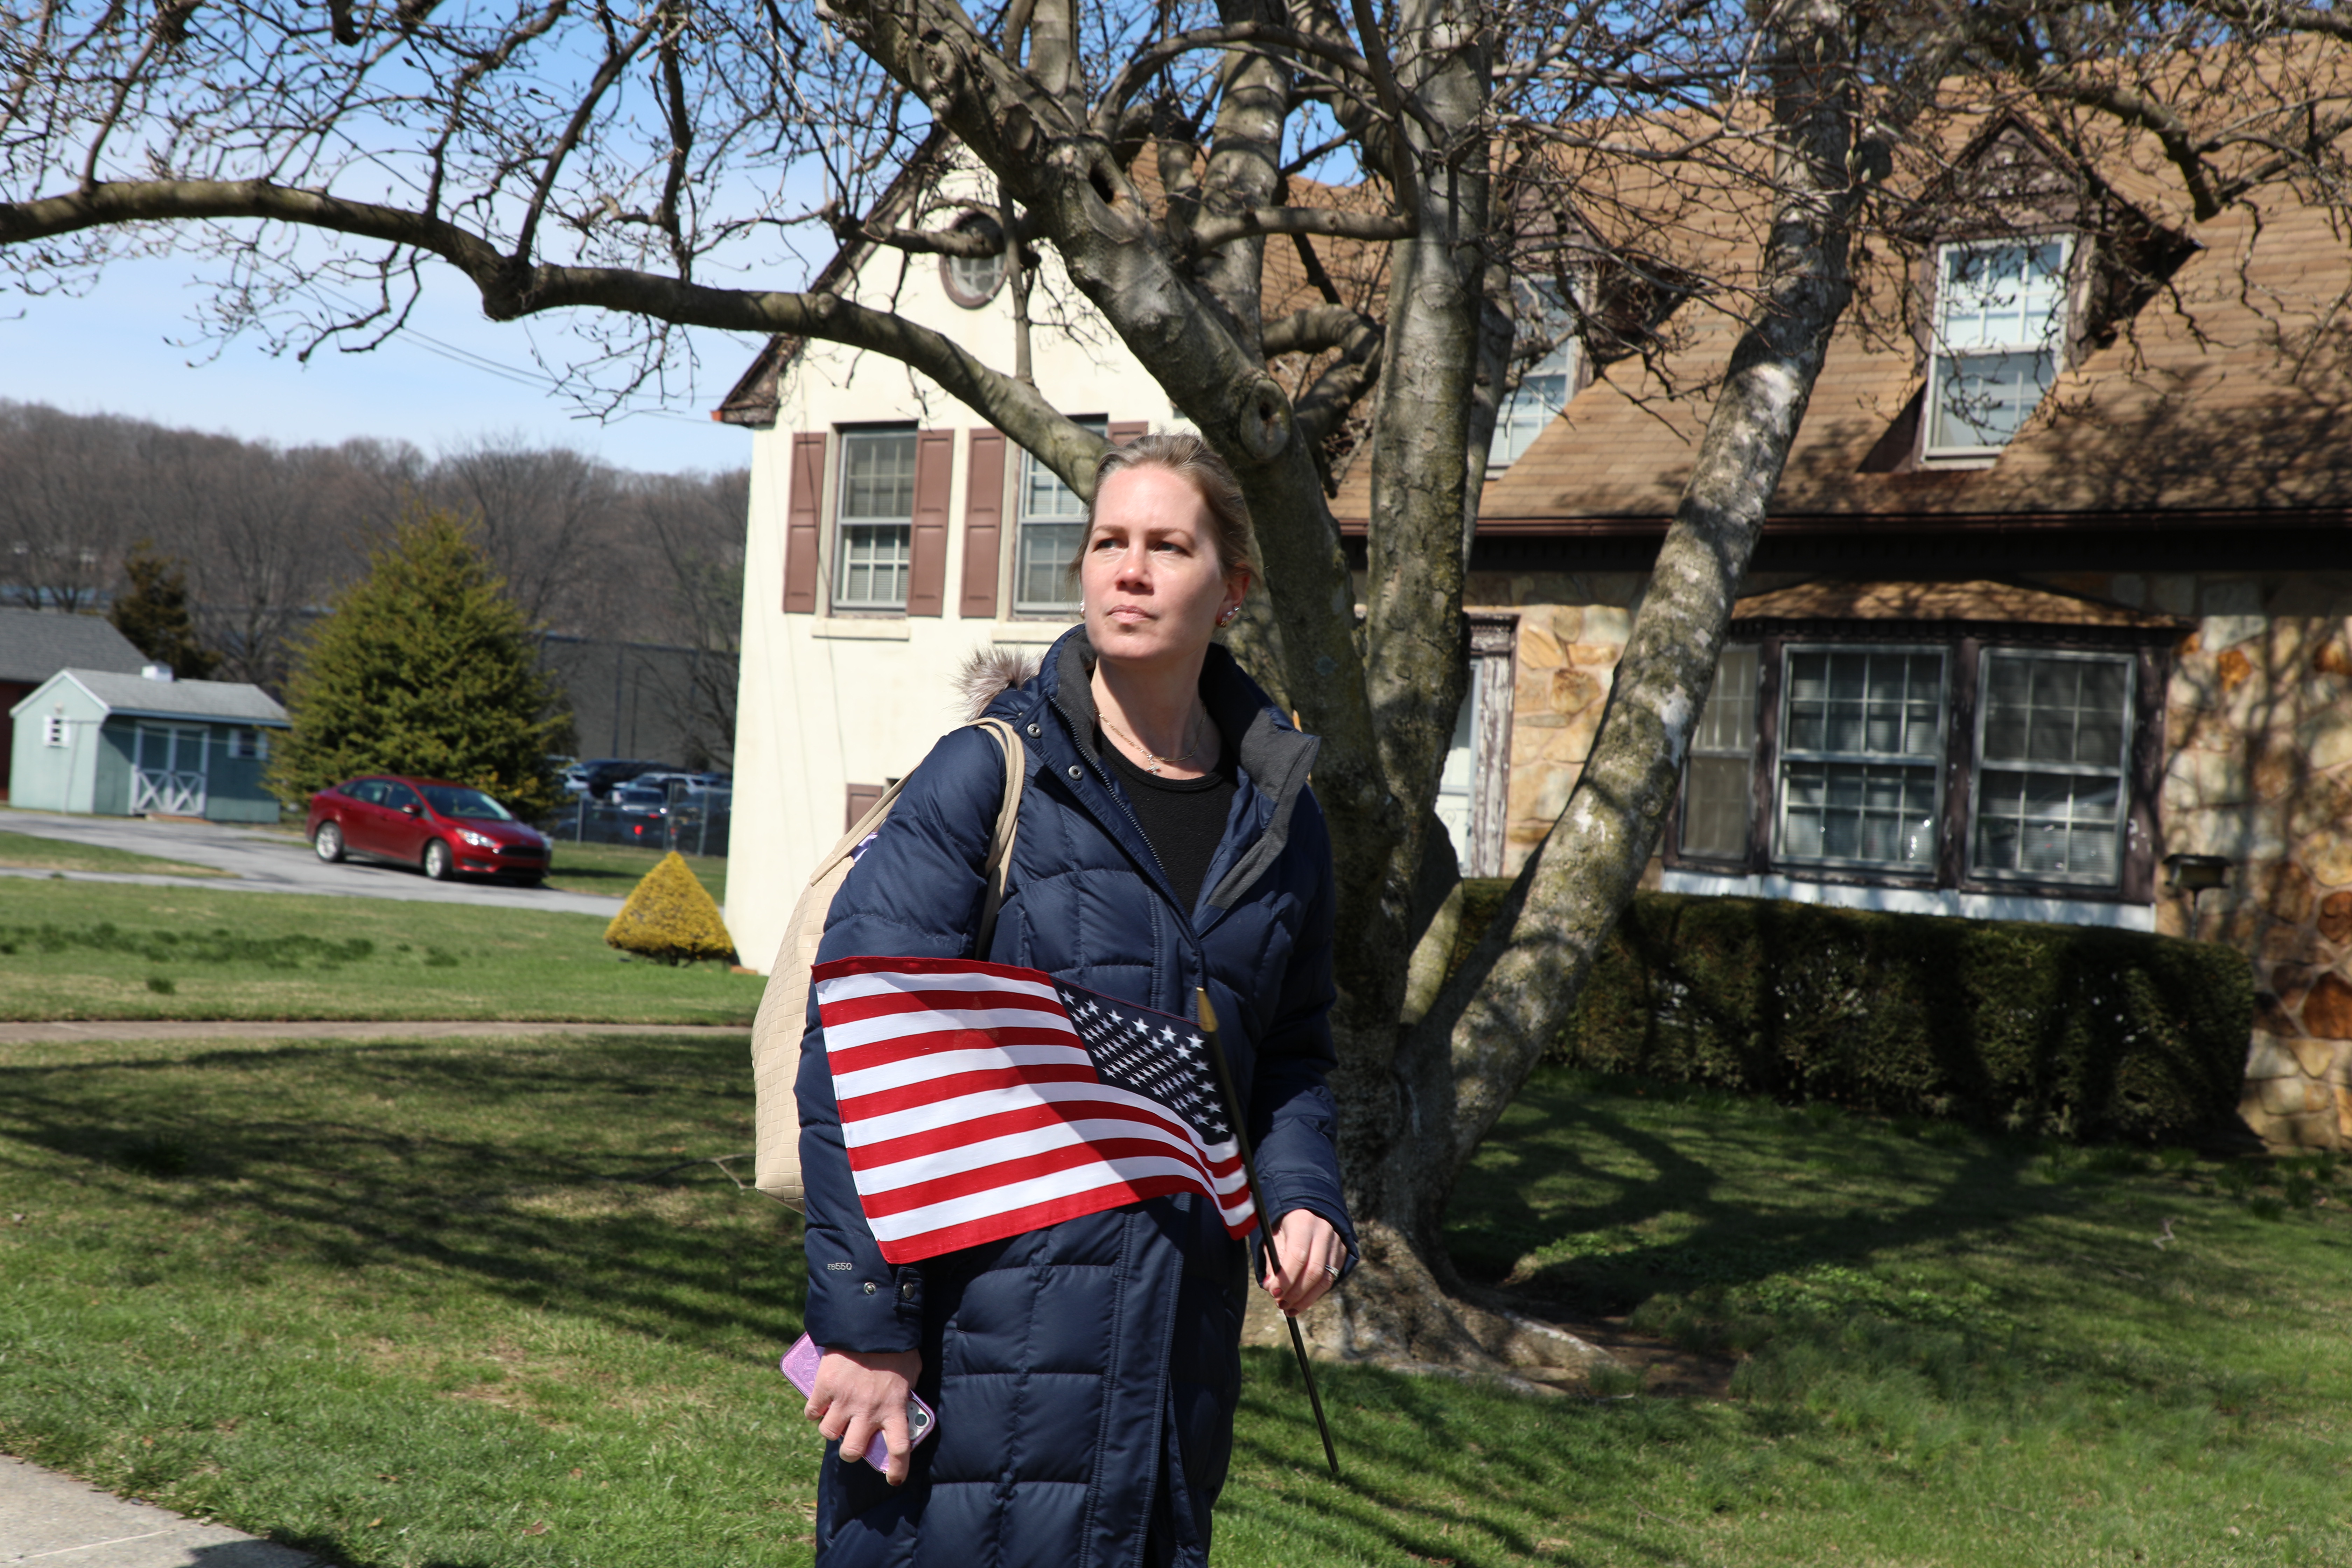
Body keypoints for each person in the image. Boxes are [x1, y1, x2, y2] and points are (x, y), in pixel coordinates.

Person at [794, 432, 1356, 1566]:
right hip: (973, 1351)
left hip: (1170, 1375)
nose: (1129, 570)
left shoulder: (1283, 822)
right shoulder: (989, 774)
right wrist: (866, 1330)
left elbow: (1291, 1051)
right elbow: (860, 1053)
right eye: (1109, 542)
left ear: (1231, 589)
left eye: (1167, 545)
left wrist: (1304, 1196)